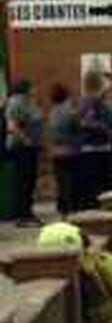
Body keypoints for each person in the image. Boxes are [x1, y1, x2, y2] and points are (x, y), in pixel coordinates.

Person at [38, 221, 112, 323]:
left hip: (48, 241)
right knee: (93, 270)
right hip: (70, 245)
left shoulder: (53, 234)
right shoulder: (90, 257)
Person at [5, 79, 43, 227]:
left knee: (30, 181)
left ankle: (28, 212)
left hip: (30, 147)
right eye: (33, 87)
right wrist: (26, 140)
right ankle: (22, 216)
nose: (35, 89)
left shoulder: (27, 101)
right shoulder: (16, 102)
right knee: (23, 181)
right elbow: (12, 125)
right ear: (26, 88)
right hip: (21, 147)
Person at [78, 70, 112, 210]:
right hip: (93, 147)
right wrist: (105, 128)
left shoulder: (99, 100)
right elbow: (85, 122)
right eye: (104, 81)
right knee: (97, 183)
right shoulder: (89, 100)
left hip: (101, 146)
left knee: (101, 182)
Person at [47, 84, 82, 215]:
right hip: (71, 150)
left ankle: (62, 206)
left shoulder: (52, 112)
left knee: (60, 180)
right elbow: (78, 128)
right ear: (66, 96)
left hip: (56, 151)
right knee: (71, 180)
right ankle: (72, 205)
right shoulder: (70, 111)